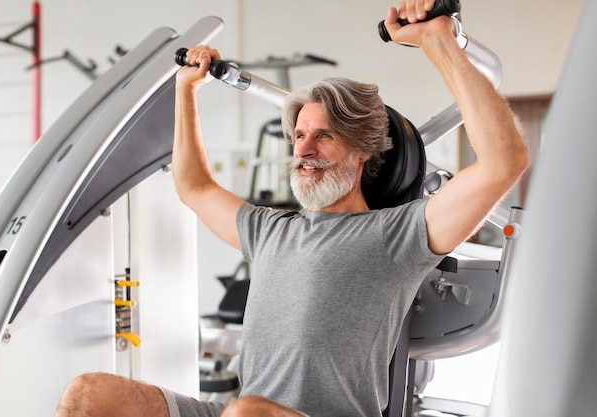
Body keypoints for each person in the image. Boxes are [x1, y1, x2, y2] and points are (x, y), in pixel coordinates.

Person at [54, 1, 529, 416]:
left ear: (363, 151)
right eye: (300, 135)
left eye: (324, 135)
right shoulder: (269, 229)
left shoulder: (396, 235)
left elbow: (504, 162)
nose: (304, 149)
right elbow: (194, 186)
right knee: (88, 395)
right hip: (240, 413)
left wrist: (438, 40)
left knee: (247, 413)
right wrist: (186, 90)